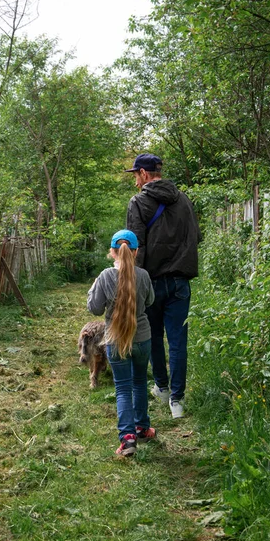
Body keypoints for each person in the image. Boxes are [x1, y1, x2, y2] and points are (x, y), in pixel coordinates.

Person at [125, 154, 202, 419]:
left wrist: (133, 281)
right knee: (179, 341)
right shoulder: (184, 201)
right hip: (180, 282)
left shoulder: (138, 202)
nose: (135, 180)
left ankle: (162, 387)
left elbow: (134, 247)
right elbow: (197, 236)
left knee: (153, 336)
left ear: (145, 174)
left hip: (152, 281)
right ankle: (177, 402)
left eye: (136, 174)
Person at [87, 229, 156, 457]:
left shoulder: (105, 276)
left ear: (112, 252)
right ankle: (142, 427)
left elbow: (95, 308)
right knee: (139, 383)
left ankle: (127, 439)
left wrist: (94, 287)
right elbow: (150, 301)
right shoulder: (144, 276)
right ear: (135, 252)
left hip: (115, 340)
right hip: (142, 337)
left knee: (123, 389)